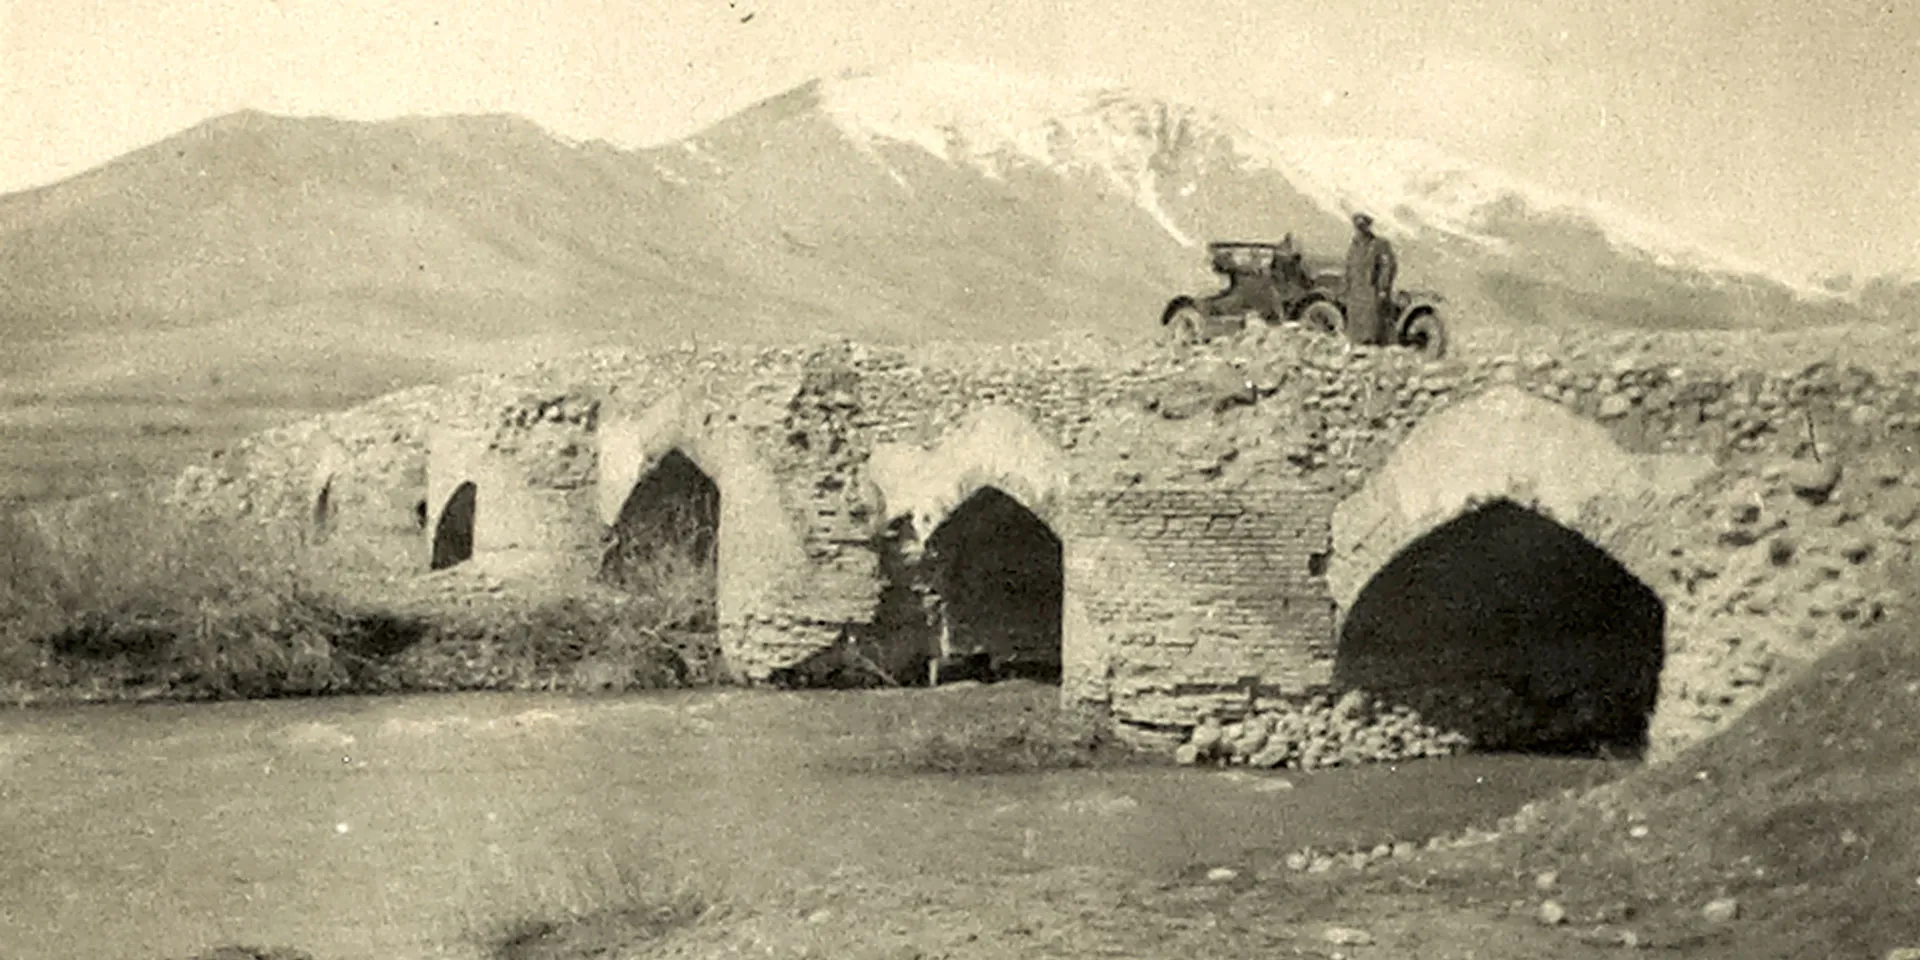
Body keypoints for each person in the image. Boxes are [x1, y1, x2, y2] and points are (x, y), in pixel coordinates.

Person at [1342, 212, 1398, 345]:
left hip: (1372, 290)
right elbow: (1349, 267)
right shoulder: (1354, 246)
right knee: (1356, 324)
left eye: (1363, 226)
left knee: (1373, 323)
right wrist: (1347, 285)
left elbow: (1387, 267)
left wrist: (1383, 288)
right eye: (1358, 227)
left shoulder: (1379, 245)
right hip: (1355, 291)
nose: (1360, 230)